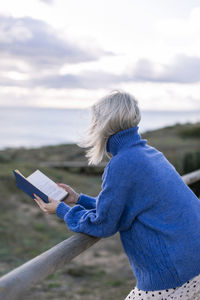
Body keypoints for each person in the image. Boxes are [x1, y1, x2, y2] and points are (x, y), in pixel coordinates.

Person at [34, 90, 200, 299]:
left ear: (103, 124)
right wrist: (78, 199)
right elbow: (123, 206)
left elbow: (103, 224)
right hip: (193, 260)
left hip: (175, 273)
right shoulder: (149, 152)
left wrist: (62, 210)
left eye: (94, 121)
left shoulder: (122, 163)